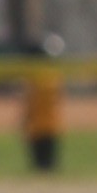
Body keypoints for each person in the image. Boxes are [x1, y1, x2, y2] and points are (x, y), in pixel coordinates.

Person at [21, 32, 67, 174]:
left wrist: (25, 120)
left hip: (42, 126)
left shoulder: (39, 77)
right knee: (46, 167)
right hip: (45, 126)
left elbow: (30, 102)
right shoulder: (52, 75)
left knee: (43, 167)